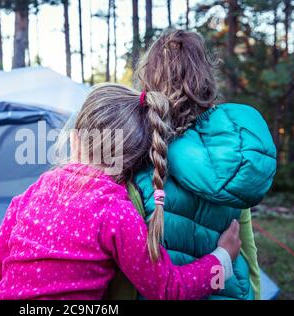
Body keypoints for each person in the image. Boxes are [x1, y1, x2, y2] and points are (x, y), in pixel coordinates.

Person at [0, 84, 241, 300]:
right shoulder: (116, 212)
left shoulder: (33, 192)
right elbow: (165, 288)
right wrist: (222, 261)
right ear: (133, 162)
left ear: (75, 140)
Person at [109, 29, 276, 300]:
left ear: (148, 81)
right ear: (207, 79)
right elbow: (248, 254)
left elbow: (123, 274)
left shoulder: (136, 161)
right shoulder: (232, 162)